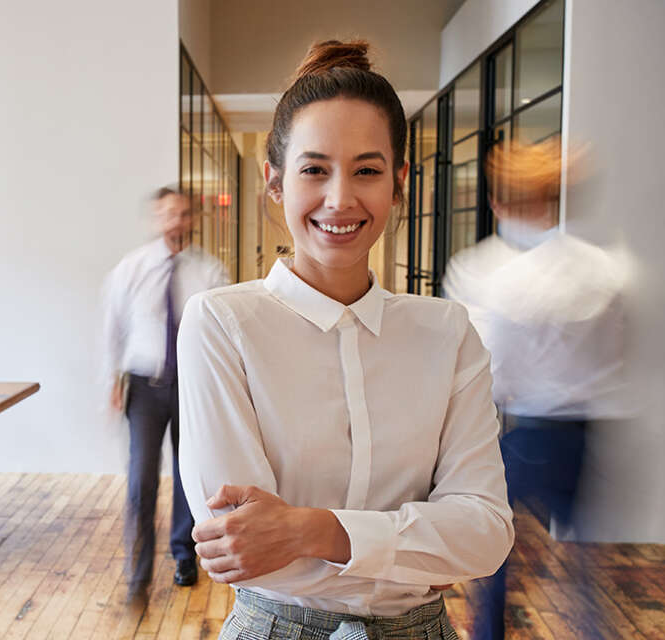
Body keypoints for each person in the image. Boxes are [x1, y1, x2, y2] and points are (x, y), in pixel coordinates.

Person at [177, 41, 513, 638]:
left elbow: (484, 534)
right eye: (314, 169)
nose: (341, 198)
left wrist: (309, 531)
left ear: (398, 181)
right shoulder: (222, 324)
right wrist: (416, 553)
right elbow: (237, 544)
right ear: (275, 182)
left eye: (367, 170)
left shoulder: (446, 331)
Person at [443, 139, 626, 640]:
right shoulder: (605, 271)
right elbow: (616, 356)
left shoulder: (490, 275)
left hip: (524, 431)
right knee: (585, 572)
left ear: (498, 203)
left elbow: (487, 369)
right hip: (587, 434)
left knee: (494, 552)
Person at [101, 186, 229, 602]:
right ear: (157, 218)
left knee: (187, 474)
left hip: (192, 386)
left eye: (183, 213)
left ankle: (183, 555)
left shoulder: (209, 271)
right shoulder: (132, 268)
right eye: (168, 213)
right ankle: (137, 573)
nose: (176, 220)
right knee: (141, 480)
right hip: (143, 385)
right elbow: (113, 328)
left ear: (192, 219)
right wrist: (111, 381)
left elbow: (222, 332)